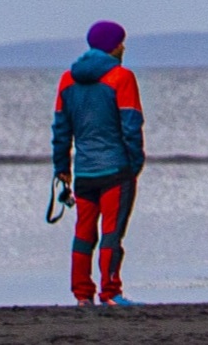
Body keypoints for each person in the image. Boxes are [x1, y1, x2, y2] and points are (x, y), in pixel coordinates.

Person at [49, 20, 145, 304]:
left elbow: (60, 128)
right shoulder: (122, 77)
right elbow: (131, 125)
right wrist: (135, 164)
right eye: (120, 42)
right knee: (112, 234)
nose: (123, 46)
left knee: (83, 233)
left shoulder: (67, 80)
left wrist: (61, 168)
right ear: (111, 46)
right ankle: (111, 293)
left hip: (85, 173)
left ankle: (81, 295)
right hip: (116, 170)